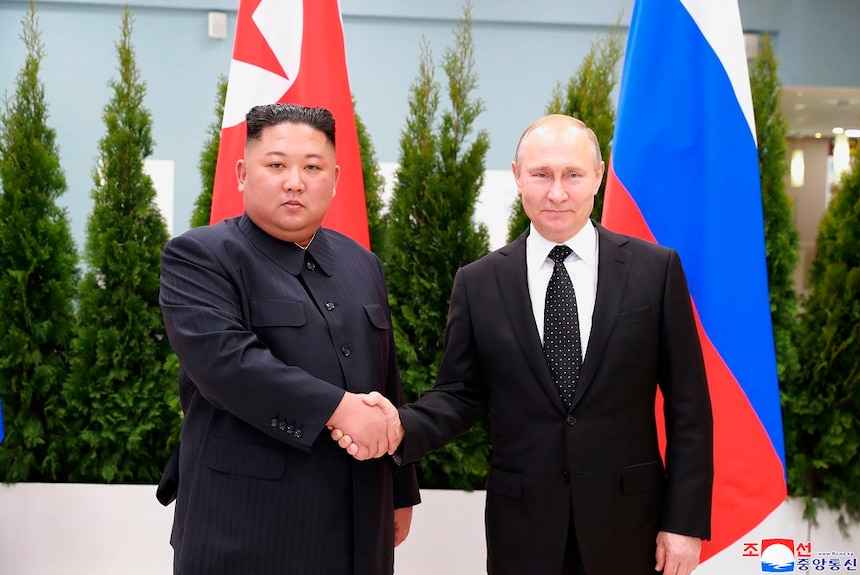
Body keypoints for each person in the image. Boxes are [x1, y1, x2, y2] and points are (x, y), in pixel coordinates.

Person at [333, 114, 713, 575]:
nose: (557, 193)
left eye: (573, 174)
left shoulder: (656, 271)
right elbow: (458, 396)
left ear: (598, 175)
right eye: (541, 175)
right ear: (517, 176)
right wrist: (397, 427)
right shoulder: (478, 283)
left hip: (632, 527)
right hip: (524, 531)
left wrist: (685, 523)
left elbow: (689, 409)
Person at [157, 103, 419, 575]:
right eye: (276, 164)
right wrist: (340, 409)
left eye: (312, 167)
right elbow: (227, 366)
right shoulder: (200, 256)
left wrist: (400, 491)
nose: (294, 181)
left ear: (336, 179)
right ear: (242, 172)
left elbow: (386, 380)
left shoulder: (363, 263)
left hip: (359, 527)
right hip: (244, 530)